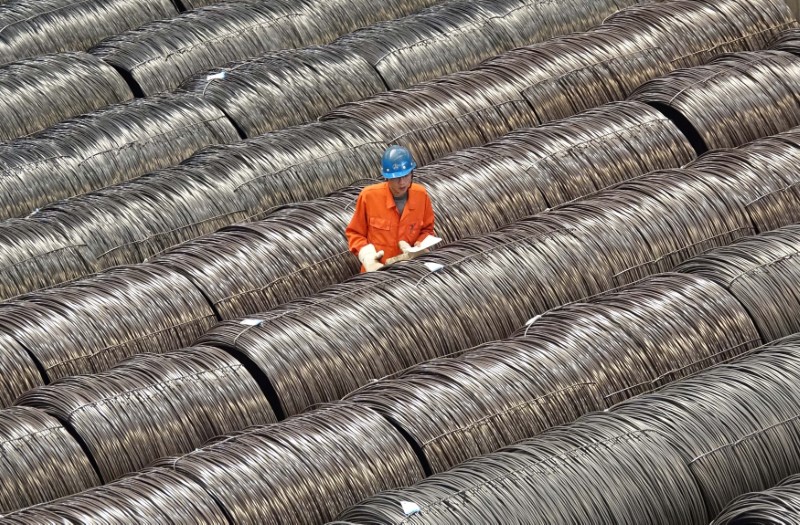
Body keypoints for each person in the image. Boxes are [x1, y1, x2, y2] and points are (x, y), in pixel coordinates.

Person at [346, 145, 435, 272]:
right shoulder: (369, 197)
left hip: (409, 269)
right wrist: (367, 256)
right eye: (396, 178)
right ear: (387, 177)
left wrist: (419, 245)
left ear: (412, 173)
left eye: (406, 175)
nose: (402, 182)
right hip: (377, 271)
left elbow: (427, 229)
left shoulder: (421, 195)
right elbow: (355, 233)